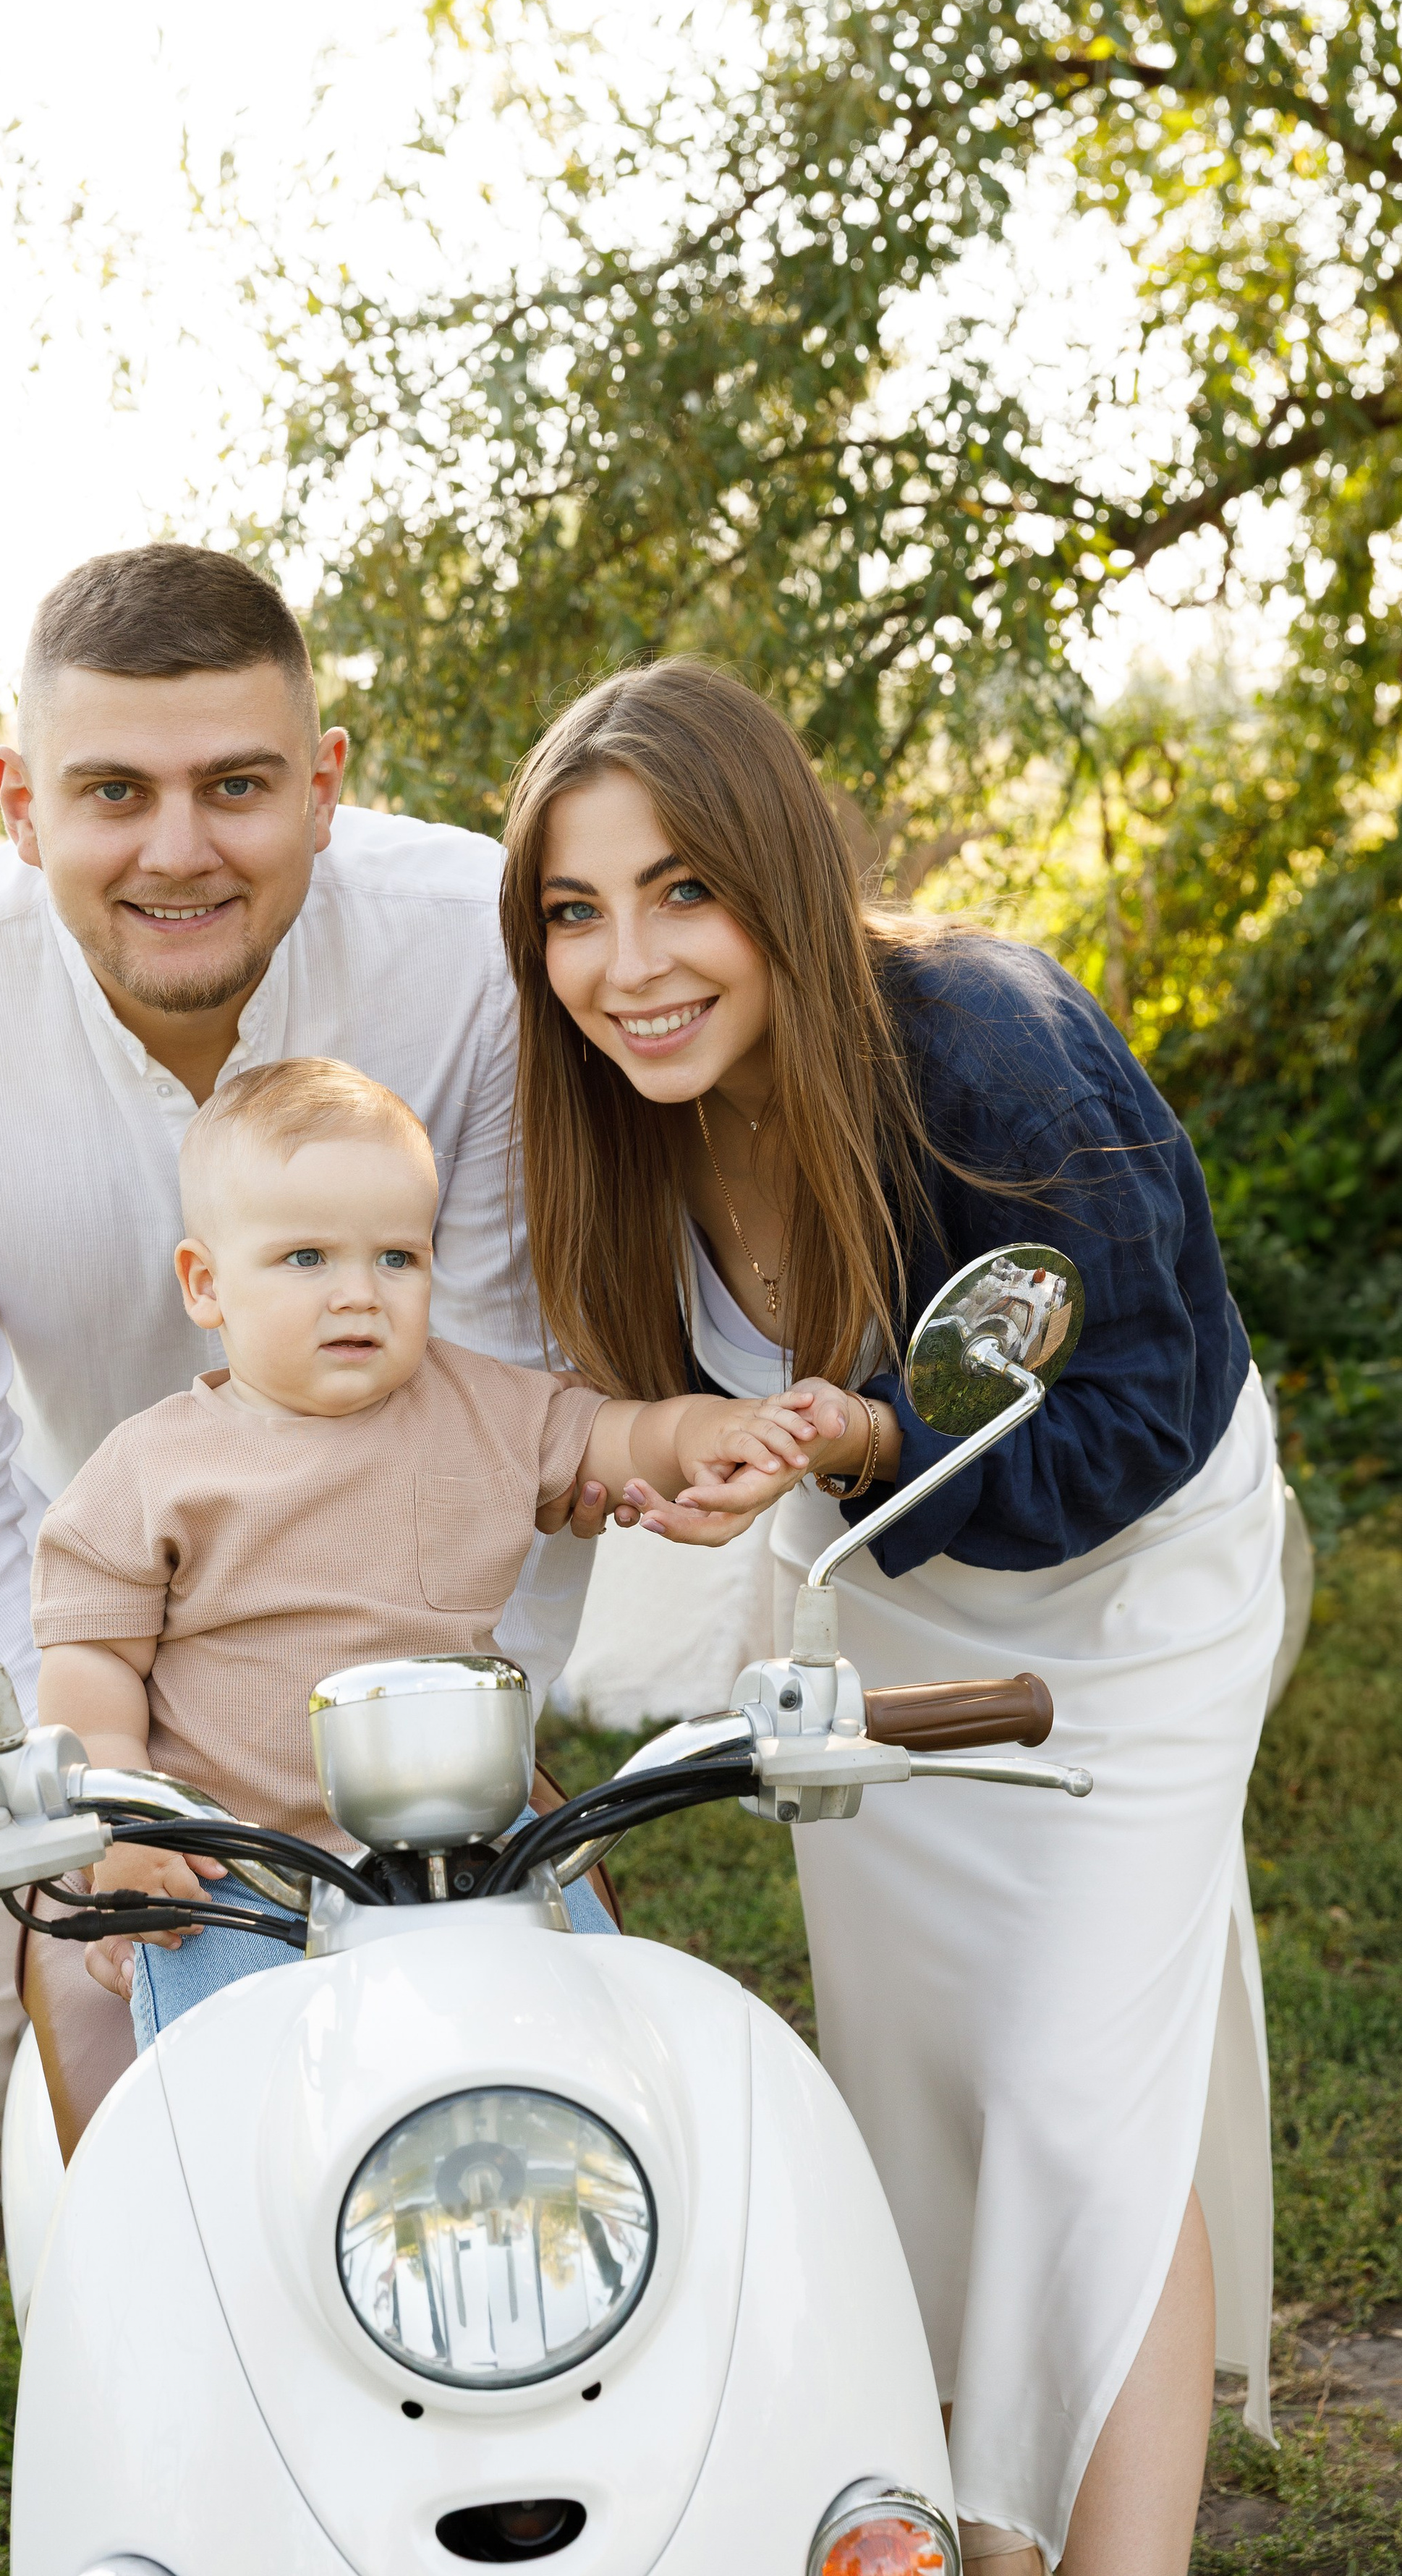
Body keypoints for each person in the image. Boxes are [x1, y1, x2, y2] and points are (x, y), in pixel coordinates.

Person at [0, 545, 618, 2575]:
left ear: (327, 778)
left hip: (395, 1642)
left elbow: (486, 1374)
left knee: (561, 2070)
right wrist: (105, 1783)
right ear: (17, 801)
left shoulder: (459, 946)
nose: (180, 848)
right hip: (50, 1621)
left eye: (238, 786)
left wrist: (433, 1736)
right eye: (115, 794)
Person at [498, 659, 1283, 2576]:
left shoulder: (983, 1031)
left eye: (684, 889)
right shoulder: (621, 1117)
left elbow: (1135, 1402)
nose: (630, 965)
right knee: (924, 2085)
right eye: (574, 913)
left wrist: (877, 1435)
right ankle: (980, 2526)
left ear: (777, 871)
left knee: (1077, 2094)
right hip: (884, 1605)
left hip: (1136, 1596)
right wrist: (723, 1457)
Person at [27, 1054, 827, 2028]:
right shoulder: (155, 1469)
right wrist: (124, 1818)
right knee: (234, 2089)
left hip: (478, 1843)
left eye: (397, 1257)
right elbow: (95, 1659)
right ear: (206, 1285)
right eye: (307, 1259)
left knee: (600, 2034)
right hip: (238, 1867)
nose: (360, 1293)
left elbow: (613, 1439)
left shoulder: (482, 1409)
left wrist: (705, 1432)